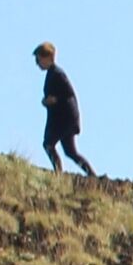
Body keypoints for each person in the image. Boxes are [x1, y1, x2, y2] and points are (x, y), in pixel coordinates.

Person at [35, 43, 96, 176]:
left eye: (39, 59)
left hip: (64, 120)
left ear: (49, 57)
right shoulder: (53, 74)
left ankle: (59, 174)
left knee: (48, 144)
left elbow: (69, 95)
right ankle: (91, 175)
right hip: (64, 119)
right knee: (70, 152)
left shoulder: (57, 74)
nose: (37, 63)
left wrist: (54, 100)